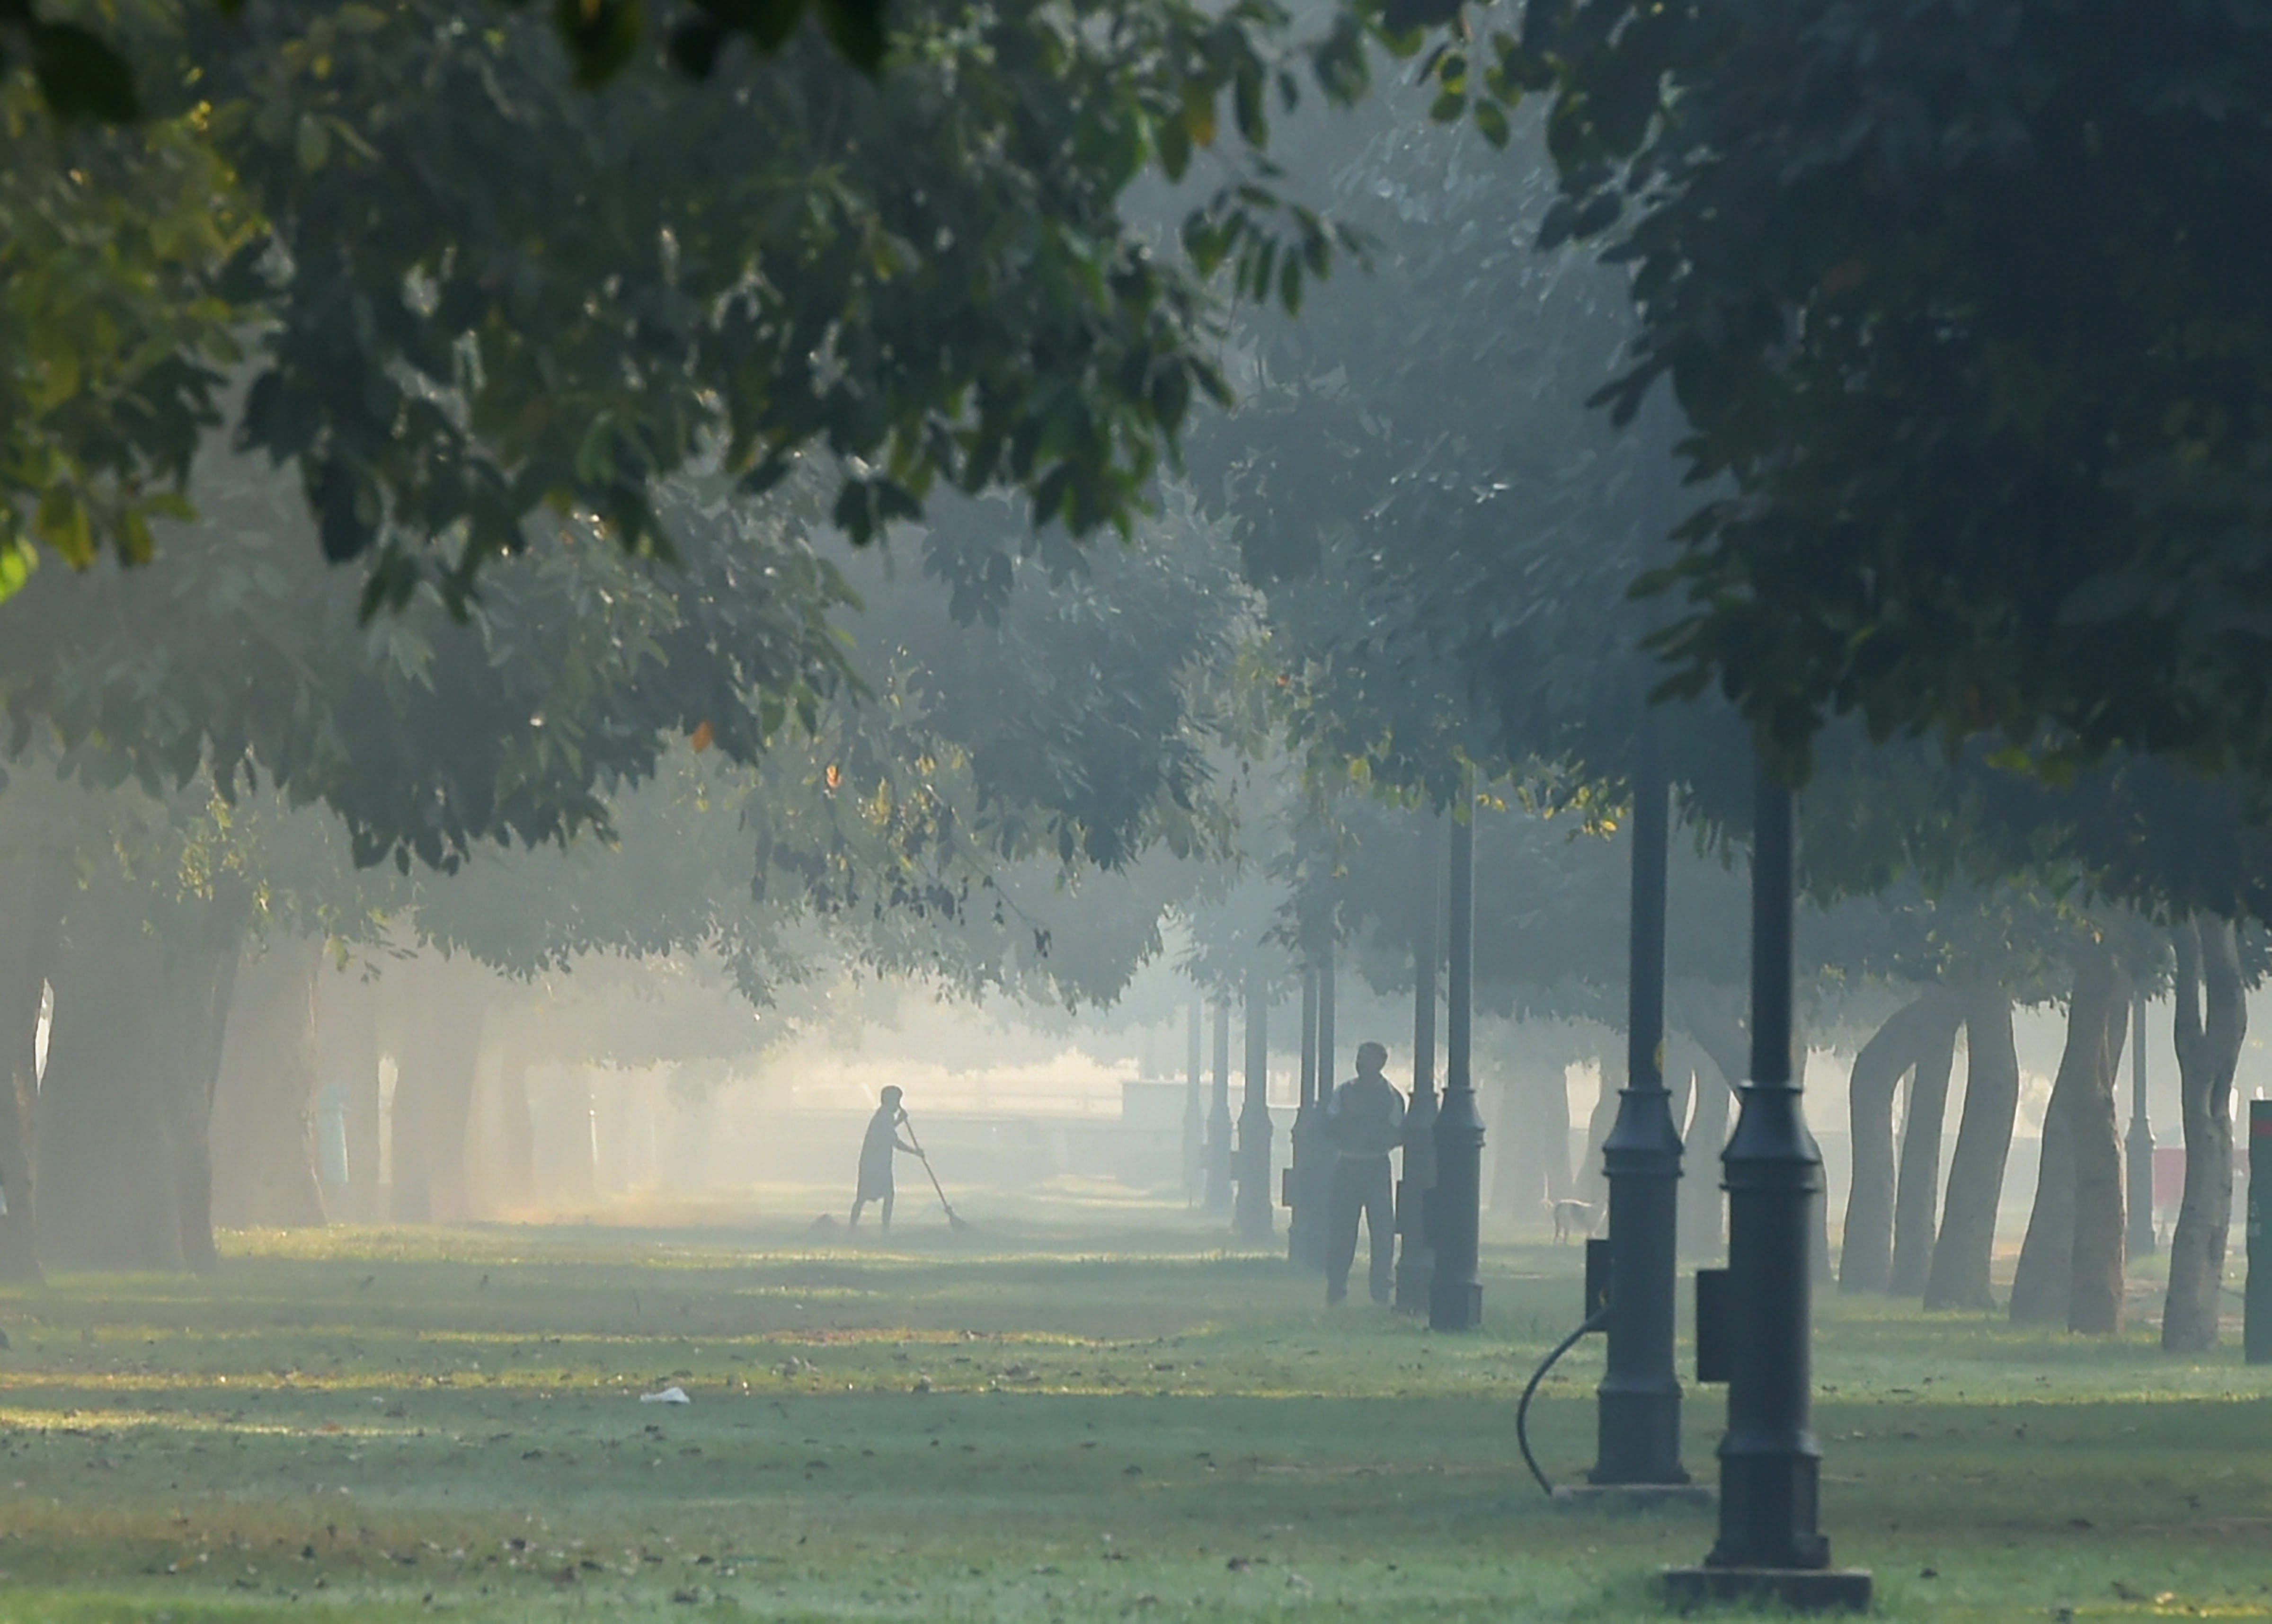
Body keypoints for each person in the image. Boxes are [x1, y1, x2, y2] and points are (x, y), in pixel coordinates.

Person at [1322, 1041, 1406, 1306]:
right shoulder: (1344, 1092)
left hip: (1374, 1165)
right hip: (1349, 1164)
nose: (1360, 1063)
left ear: (1380, 1063)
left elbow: (1397, 1132)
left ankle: (1380, 1286)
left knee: (1382, 1231)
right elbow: (1330, 1125)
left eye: (1366, 1059)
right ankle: (1337, 1284)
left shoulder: (1390, 1096)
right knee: (1342, 1229)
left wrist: (1371, 1139)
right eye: (1360, 1058)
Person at [850, 1086, 918, 1232]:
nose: (899, 1105)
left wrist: (899, 1121)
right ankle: (882, 1229)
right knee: (875, 1196)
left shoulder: (884, 1116)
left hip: (876, 1163)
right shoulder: (884, 1117)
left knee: (871, 1197)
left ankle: (856, 1228)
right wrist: (915, 1152)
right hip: (875, 1165)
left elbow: (888, 1133)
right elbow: (894, 1141)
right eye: (897, 1101)